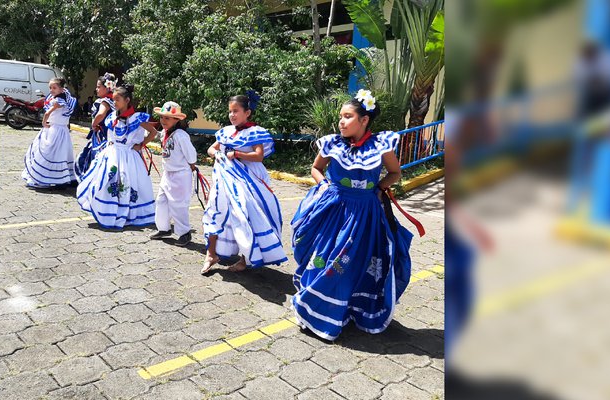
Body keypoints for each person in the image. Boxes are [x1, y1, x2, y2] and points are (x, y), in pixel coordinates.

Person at [290, 90, 414, 340]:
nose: (341, 122)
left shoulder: (381, 145)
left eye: (348, 117)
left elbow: (395, 173)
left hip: (364, 215)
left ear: (364, 120)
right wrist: (324, 186)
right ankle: (312, 308)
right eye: (340, 117)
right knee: (324, 256)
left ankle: (344, 310)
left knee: (350, 263)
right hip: (333, 209)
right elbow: (316, 168)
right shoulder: (332, 143)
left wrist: (379, 189)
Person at [201, 91, 287, 274]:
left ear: (247, 113)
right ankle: (211, 253)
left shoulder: (255, 132)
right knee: (215, 209)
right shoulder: (226, 132)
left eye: (236, 111)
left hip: (248, 180)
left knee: (246, 215)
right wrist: (217, 154)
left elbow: (258, 156)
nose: (232, 115)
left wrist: (237, 154)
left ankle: (245, 258)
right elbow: (211, 149)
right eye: (230, 111)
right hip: (224, 179)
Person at [76, 85, 158, 229]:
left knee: (128, 183)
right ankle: (108, 210)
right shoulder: (113, 116)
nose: (115, 103)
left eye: (117, 99)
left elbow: (153, 132)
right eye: (113, 100)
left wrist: (141, 144)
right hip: (112, 154)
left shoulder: (137, 118)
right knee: (108, 180)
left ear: (127, 100)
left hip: (129, 157)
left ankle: (127, 213)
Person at [149, 101, 198, 246]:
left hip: (180, 174)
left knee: (178, 204)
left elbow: (191, 155)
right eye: (162, 117)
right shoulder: (166, 132)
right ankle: (164, 228)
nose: (163, 120)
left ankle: (184, 233)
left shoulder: (180, 135)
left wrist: (191, 165)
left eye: (167, 118)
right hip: (168, 173)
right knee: (161, 201)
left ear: (177, 120)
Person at [21, 77, 78, 188]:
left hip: (54, 129)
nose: (51, 90)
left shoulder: (58, 101)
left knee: (50, 153)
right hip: (62, 130)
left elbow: (47, 113)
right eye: (50, 88)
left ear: (61, 89)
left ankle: (51, 178)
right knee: (61, 153)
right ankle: (63, 178)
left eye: (54, 88)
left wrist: (43, 122)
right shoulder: (66, 97)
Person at [74, 73, 117, 180]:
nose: (96, 89)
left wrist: (94, 124)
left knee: (96, 156)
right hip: (109, 133)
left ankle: (93, 180)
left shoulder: (105, 101)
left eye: (98, 87)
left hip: (101, 134)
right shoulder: (114, 101)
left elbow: (101, 114)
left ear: (107, 87)